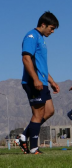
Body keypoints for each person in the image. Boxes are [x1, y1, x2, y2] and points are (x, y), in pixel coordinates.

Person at [19, 11, 60, 154]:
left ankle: (24, 136)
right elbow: (26, 59)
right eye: (52, 28)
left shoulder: (41, 39)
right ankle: (34, 148)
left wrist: (52, 81)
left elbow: (40, 65)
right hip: (33, 81)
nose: (53, 31)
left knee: (49, 111)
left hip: (42, 81)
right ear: (43, 24)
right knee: (38, 113)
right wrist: (35, 79)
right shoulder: (31, 36)